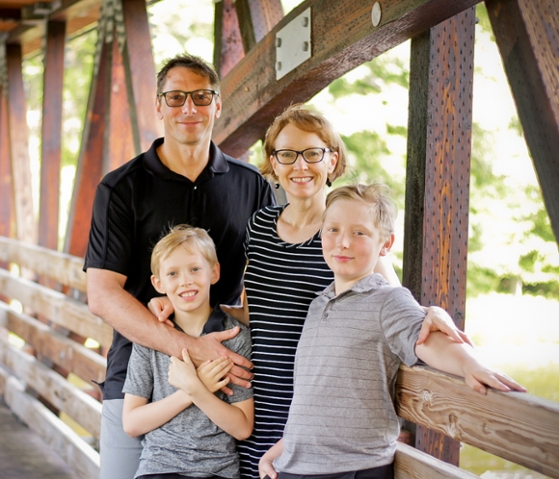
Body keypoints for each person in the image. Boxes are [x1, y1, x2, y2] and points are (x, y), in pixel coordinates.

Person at [236, 105, 469, 478]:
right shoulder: (260, 225)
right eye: (287, 154)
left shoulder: (344, 231)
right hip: (256, 401)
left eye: (313, 153)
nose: (300, 165)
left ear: (332, 159)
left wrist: (429, 311)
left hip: (324, 415)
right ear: (273, 163)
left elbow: (388, 299)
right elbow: (259, 309)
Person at [84, 53, 275, 479]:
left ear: (218, 104)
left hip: (228, 383)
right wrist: (188, 349)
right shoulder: (121, 188)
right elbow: (101, 295)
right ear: (159, 105)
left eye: (201, 96)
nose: (189, 108)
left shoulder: (251, 185)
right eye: (175, 98)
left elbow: (278, 277)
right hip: (138, 378)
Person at [258, 183, 525, 479]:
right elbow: (315, 399)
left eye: (359, 233)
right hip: (294, 467)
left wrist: (469, 364)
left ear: (385, 244)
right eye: (332, 229)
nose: (343, 242)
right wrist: (279, 450)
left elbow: (427, 339)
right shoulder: (319, 304)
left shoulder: (388, 300)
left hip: (351, 469)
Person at [123, 225, 254, 479]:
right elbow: (131, 423)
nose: (186, 281)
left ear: (214, 272)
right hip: (159, 468)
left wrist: (196, 388)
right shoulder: (151, 337)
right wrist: (193, 389)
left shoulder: (235, 338)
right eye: (173, 273)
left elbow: (242, 428)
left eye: (195, 269)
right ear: (158, 283)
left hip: (218, 471)